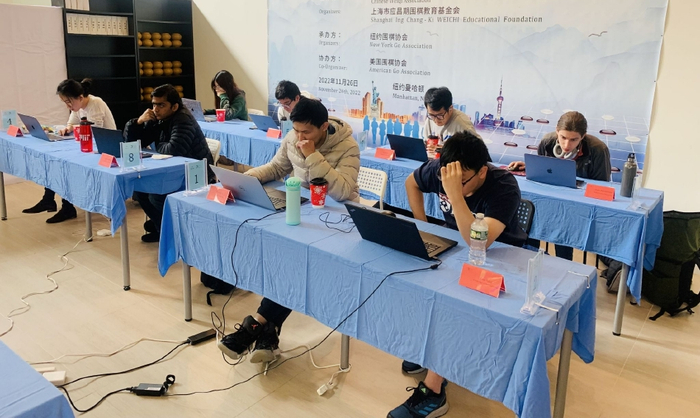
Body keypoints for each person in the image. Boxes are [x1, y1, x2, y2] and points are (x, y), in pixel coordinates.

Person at [389, 131, 525, 418]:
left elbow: (479, 243)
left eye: (461, 180)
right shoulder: (445, 170)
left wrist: (453, 193)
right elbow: (411, 183)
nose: (450, 182)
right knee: (412, 279)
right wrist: (423, 226)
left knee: (454, 303)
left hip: (501, 263)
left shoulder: (504, 185)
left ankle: (434, 391)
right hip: (456, 251)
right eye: (446, 178)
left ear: (482, 172)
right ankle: (430, 350)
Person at [218, 98, 360, 364]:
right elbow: (276, 167)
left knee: (295, 264)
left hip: (338, 221)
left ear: (324, 127)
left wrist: (313, 156)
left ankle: (256, 324)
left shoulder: (347, 146)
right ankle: (267, 332)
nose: (300, 137)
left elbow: (342, 191)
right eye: (296, 130)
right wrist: (246, 179)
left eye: (306, 132)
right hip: (301, 211)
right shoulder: (293, 137)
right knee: (288, 261)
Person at [508, 111, 611, 260]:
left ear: (583, 136)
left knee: (563, 228)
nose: (567, 145)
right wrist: (529, 167)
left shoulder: (598, 150)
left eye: (574, 140)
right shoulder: (547, 142)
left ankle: (564, 265)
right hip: (549, 202)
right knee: (533, 220)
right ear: (557, 131)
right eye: (563, 137)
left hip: (578, 206)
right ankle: (529, 259)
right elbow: (542, 174)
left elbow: (601, 187)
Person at [124, 84, 214, 242]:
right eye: (154, 104)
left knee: (156, 196)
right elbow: (134, 143)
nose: (155, 109)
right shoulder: (157, 118)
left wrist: (156, 145)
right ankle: (163, 228)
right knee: (139, 190)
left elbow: (174, 149)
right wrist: (137, 122)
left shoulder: (183, 119)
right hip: (172, 169)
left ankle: (174, 231)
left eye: (161, 105)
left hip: (195, 172)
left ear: (174, 107)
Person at [22, 78, 116, 224]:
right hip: (89, 147)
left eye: (69, 102)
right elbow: (72, 123)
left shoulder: (95, 103)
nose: (68, 106)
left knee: (64, 165)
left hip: (106, 149)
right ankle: (49, 199)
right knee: (55, 161)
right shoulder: (78, 107)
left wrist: (74, 128)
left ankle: (66, 207)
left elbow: (93, 130)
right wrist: (68, 128)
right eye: (65, 102)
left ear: (80, 97)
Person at [422, 87, 477, 154]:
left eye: (440, 115)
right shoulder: (430, 119)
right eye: (432, 115)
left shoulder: (462, 124)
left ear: (450, 109)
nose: (436, 120)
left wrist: (446, 151)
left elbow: (478, 152)